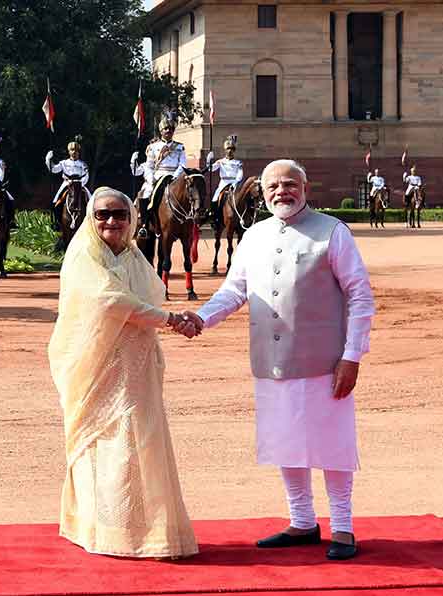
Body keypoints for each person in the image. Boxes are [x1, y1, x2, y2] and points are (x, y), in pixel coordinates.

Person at [176, 159, 375, 561]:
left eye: (290, 184)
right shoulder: (254, 236)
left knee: (332, 445)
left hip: (325, 360)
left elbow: (360, 295)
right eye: (273, 186)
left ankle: (343, 527)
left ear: (306, 187)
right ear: (262, 192)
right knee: (287, 443)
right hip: (272, 359)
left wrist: (352, 356)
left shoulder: (332, 232)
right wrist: (200, 318)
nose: (281, 192)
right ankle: (302, 521)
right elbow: (234, 291)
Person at [48, 186, 199, 559]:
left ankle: (144, 531)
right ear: (91, 219)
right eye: (102, 215)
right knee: (111, 443)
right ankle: (106, 531)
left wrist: (166, 318)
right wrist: (171, 320)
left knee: (140, 442)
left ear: (132, 219)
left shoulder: (134, 256)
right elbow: (110, 299)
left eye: (120, 214)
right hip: (98, 367)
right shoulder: (85, 254)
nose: (111, 221)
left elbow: (150, 295)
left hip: (138, 367)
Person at [133, 113, 186, 239]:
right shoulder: (153, 147)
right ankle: (144, 225)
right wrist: (151, 179)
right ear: (161, 131)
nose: (168, 131)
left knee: (188, 193)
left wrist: (176, 177)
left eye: (171, 129)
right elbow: (149, 166)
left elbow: (182, 164)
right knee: (146, 194)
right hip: (157, 176)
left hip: (174, 176)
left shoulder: (179, 147)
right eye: (165, 129)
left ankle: (189, 221)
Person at [47, 140, 89, 232]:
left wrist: (81, 183)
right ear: (69, 151)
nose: (74, 152)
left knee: (90, 201)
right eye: (72, 150)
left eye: (76, 150)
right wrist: (48, 160)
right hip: (67, 184)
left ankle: (89, 223)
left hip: (79, 184)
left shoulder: (83, 164)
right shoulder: (64, 163)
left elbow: (86, 176)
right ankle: (57, 223)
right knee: (56, 202)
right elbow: (54, 169)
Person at [207, 135, 243, 223]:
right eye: (228, 149)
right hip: (224, 182)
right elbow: (210, 169)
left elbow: (240, 174)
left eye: (232, 149)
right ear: (225, 150)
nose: (230, 151)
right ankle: (213, 214)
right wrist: (209, 159)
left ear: (234, 151)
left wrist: (236, 182)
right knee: (216, 196)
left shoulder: (238, 163)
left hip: (234, 182)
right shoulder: (221, 161)